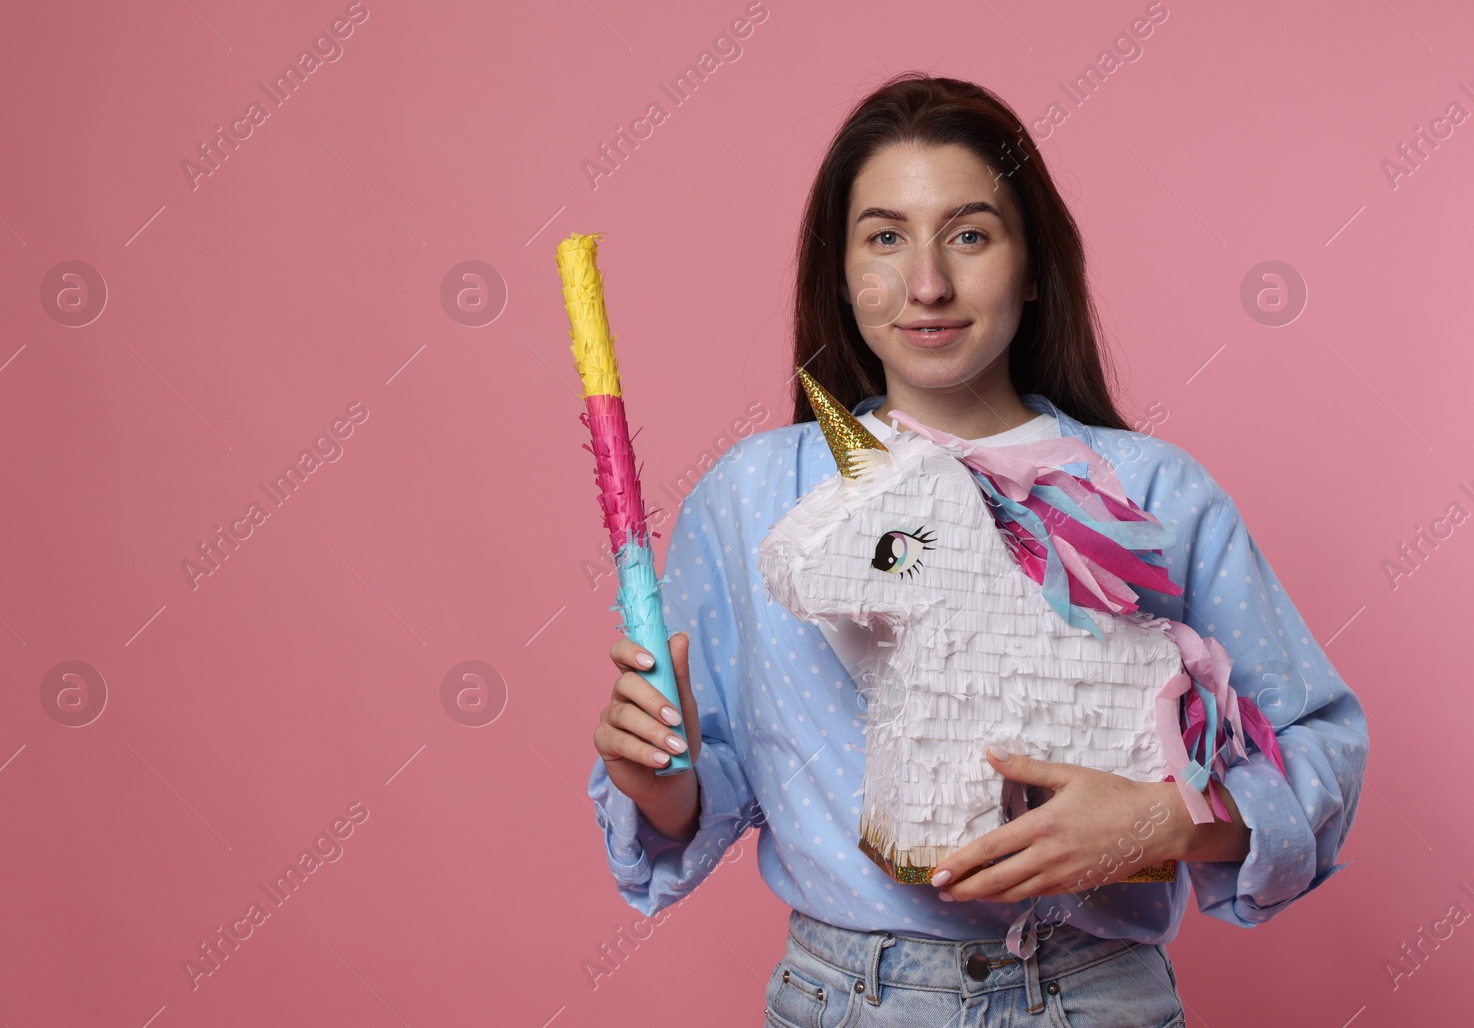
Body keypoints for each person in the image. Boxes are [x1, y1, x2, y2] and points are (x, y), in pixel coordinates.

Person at [585, 73, 1367, 1026]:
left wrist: (1162, 818)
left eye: (969, 233)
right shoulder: (759, 495)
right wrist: (658, 778)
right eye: (884, 237)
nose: (927, 283)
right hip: (843, 998)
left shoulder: (1150, 493)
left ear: (1032, 264)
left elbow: (1320, 749)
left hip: (1093, 995)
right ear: (840, 269)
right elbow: (712, 790)